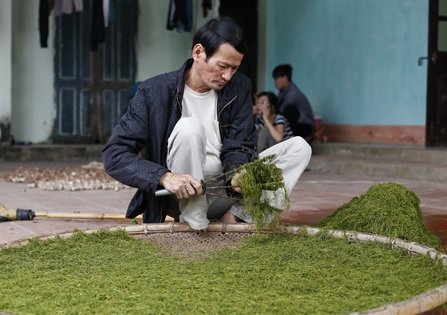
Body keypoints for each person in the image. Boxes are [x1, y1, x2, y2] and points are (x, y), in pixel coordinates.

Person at [102, 17, 311, 231]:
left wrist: (239, 173)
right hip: (182, 195)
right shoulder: (154, 92)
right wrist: (165, 177)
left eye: (234, 69)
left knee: (299, 148)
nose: (228, 76)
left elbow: (240, 145)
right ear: (198, 52)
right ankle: (195, 223)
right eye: (222, 66)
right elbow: (114, 154)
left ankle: (237, 217)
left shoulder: (239, 87)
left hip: (227, 191)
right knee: (188, 127)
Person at [272, 64, 315, 140]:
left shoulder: (292, 93)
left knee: (288, 110)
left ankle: (297, 139)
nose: (274, 82)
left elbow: (280, 111)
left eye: (276, 78)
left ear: (285, 78)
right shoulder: (283, 91)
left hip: (304, 127)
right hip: (297, 125)